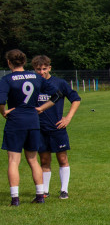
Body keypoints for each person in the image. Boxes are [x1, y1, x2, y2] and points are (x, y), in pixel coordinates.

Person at [1, 49, 55, 206]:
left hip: (16, 121)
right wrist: (42, 108)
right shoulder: (36, 77)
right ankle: (40, 195)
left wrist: (3, 112)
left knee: (13, 160)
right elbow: (57, 94)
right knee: (33, 159)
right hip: (33, 121)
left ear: (9, 62)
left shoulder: (7, 79)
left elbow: (0, 100)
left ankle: (15, 198)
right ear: (24, 62)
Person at [33, 56, 81, 199]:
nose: (41, 72)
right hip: (39, 128)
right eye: (38, 69)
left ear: (49, 68)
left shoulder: (59, 83)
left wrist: (68, 118)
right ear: (34, 69)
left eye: (44, 68)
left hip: (57, 127)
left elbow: (76, 99)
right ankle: (45, 191)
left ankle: (64, 190)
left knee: (62, 158)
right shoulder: (33, 84)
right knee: (44, 160)